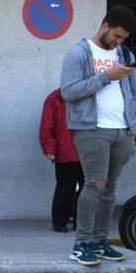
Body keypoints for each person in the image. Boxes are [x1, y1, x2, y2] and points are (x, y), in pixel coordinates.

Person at [61, 5, 136, 267]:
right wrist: (106, 76)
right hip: (92, 129)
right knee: (94, 184)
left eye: (123, 38)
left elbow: (134, 90)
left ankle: (99, 241)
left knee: (110, 188)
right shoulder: (78, 53)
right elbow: (69, 91)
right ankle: (81, 244)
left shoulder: (124, 53)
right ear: (105, 26)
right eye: (117, 36)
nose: (119, 42)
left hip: (123, 130)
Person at [40, 88, 82, 233]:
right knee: (67, 188)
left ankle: (69, 222)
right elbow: (47, 125)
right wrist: (49, 148)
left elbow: (47, 125)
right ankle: (63, 222)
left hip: (75, 150)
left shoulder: (55, 97)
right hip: (70, 150)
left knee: (73, 187)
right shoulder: (55, 98)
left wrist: (49, 147)